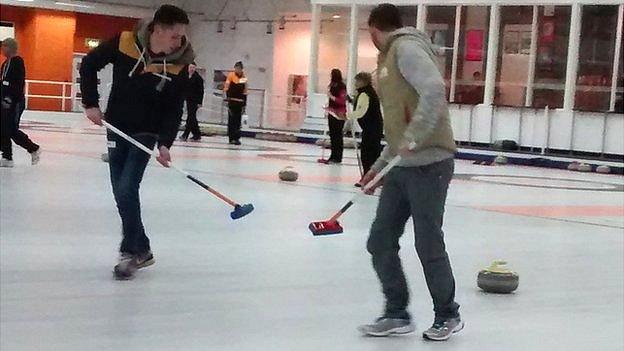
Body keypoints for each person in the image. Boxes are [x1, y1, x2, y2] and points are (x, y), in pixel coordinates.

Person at [357, 4, 462, 341]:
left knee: (428, 242)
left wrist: (415, 137)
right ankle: (396, 312)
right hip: (403, 167)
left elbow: (434, 90)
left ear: (373, 29)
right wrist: (375, 171)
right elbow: (398, 134)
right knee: (380, 240)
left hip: (431, 163)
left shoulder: (406, 48)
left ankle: (448, 314)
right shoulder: (384, 63)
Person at [80, 4, 194, 280]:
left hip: (147, 132)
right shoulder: (125, 43)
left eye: (180, 37)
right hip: (116, 127)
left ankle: (129, 251)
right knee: (121, 192)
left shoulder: (180, 64)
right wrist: (91, 103)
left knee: (127, 187)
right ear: (157, 29)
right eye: (174, 36)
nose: (179, 42)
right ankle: (142, 248)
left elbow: (174, 108)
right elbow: (89, 64)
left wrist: (165, 143)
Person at [0, 38, 41, 168]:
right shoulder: (5, 64)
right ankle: (7, 156)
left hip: (14, 102)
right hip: (4, 101)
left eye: (3, 46)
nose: (2, 49)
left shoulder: (17, 62)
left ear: (9, 47)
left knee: (10, 129)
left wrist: (10, 98)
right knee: (4, 128)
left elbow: (18, 83)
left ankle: (32, 148)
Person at [345, 72, 383, 187]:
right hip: (373, 127)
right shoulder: (367, 92)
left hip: (372, 128)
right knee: (372, 153)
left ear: (363, 81)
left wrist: (346, 115)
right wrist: (351, 101)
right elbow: (361, 106)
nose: (355, 83)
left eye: (357, 81)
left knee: (368, 154)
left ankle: (369, 178)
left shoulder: (365, 94)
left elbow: (361, 112)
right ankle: (374, 178)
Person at [322, 68, 347, 164]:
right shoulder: (332, 85)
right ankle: (333, 156)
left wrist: (331, 96)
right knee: (333, 135)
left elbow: (341, 100)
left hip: (339, 113)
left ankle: (338, 157)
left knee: (338, 135)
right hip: (332, 112)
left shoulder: (341, 86)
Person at [224, 61, 247, 145]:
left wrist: (244, 103)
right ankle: (231, 138)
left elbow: (244, 91)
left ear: (241, 69)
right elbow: (227, 87)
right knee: (231, 120)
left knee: (238, 121)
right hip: (232, 101)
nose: (237, 70)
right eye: (236, 68)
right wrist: (227, 99)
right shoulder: (231, 76)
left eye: (238, 68)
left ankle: (236, 137)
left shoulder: (243, 77)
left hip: (239, 102)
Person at [180, 63, 205, 141]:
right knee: (192, 117)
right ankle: (197, 134)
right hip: (188, 99)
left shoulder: (198, 78)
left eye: (193, 67)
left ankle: (185, 134)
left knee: (190, 117)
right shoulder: (185, 76)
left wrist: (199, 102)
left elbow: (201, 91)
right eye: (191, 67)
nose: (192, 69)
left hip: (195, 100)